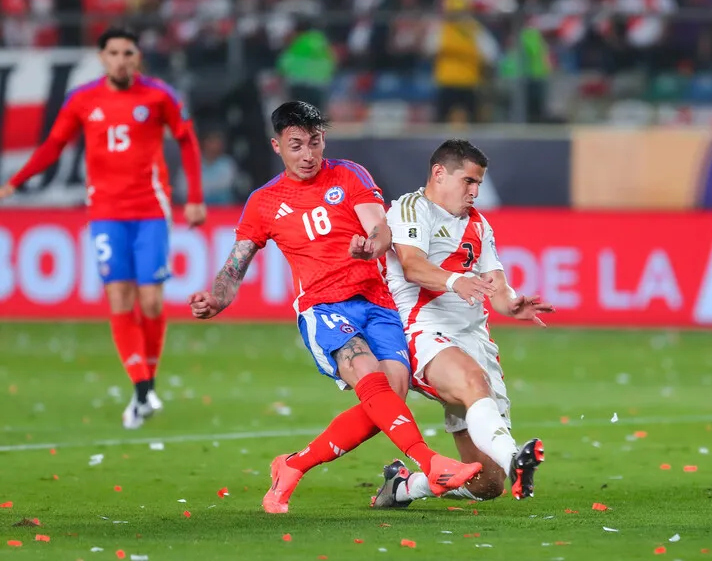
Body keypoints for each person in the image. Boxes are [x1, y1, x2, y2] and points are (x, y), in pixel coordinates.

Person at [188, 102, 482, 514]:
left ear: (323, 139)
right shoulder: (264, 201)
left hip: (376, 301)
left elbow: (381, 227)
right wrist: (217, 297)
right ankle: (431, 463)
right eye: (296, 145)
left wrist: (371, 245)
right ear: (276, 146)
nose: (308, 154)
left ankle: (293, 466)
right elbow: (236, 264)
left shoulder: (348, 174)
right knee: (366, 372)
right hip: (323, 306)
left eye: (314, 142)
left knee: (390, 394)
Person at [0, 26, 206, 430]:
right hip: (106, 212)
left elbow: (187, 140)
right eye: (113, 53)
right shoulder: (82, 99)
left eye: (128, 53)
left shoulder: (158, 95)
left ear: (137, 57)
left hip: (150, 208)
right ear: (101, 57)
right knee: (118, 296)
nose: (121, 60)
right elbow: (53, 145)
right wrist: (14, 182)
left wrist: (195, 197)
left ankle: (145, 385)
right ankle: (142, 388)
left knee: (151, 301)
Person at [372, 139, 554, 508]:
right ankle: (515, 459)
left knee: (488, 483)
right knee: (473, 381)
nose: (474, 192)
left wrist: (511, 304)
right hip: (424, 330)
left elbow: (496, 285)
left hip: (474, 340)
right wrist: (456, 281)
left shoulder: (478, 224)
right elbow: (412, 265)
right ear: (439, 173)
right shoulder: (411, 207)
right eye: (468, 181)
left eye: (478, 184)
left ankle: (404, 487)